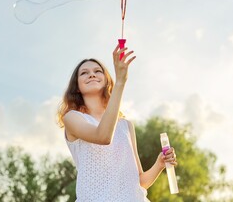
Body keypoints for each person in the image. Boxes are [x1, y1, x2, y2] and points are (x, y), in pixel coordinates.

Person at [57, 45, 177, 201]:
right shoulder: (72, 118)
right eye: (84, 73)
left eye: (97, 71)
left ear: (106, 80)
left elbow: (139, 182)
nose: (92, 75)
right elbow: (103, 136)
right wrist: (121, 82)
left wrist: (159, 164)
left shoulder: (126, 126)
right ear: (77, 86)